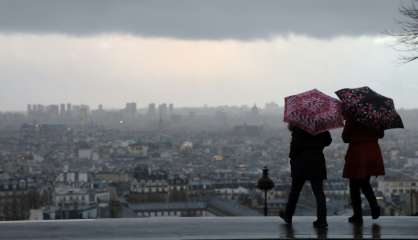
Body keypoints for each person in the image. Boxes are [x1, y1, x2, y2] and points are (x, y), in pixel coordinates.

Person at [280, 124, 332, 228]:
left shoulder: (299, 127)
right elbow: (328, 141)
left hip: (301, 162)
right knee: (319, 193)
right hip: (317, 161)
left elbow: (294, 149)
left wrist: (293, 159)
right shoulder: (319, 126)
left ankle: (288, 215)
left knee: (295, 191)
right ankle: (322, 220)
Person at [342, 116, 384, 224]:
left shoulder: (353, 118)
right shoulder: (375, 117)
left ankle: (358, 215)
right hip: (372, 152)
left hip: (357, 153)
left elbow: (345, 137)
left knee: (354, 186)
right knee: (365, 183)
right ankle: (374, 207)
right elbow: (381, 134)